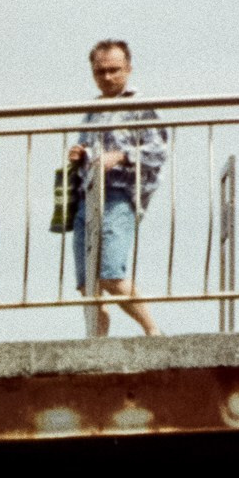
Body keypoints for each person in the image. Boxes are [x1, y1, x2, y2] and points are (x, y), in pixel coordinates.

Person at [68, 37, 166, 336]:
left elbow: (158, 151)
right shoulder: (93, 110)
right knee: (88, 283)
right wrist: (80, 155)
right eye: (100, 72)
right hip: (89, 197)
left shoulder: (140, 108)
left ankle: (153, 332)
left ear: (128, 69)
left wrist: (122, 156)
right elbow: (89, 150)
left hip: (119, 195)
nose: (107, 77)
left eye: (114, 70)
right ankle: (95, 343)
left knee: (111, 274)